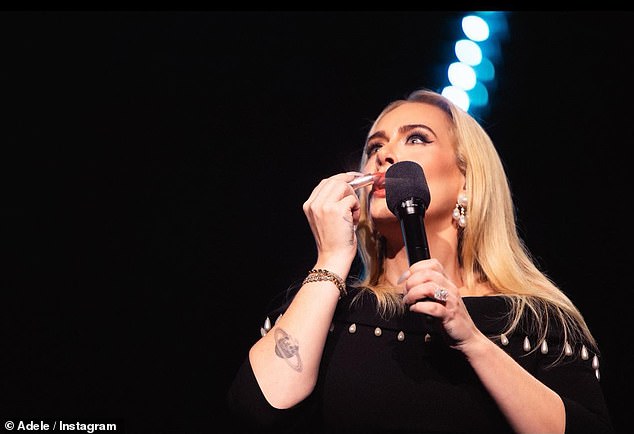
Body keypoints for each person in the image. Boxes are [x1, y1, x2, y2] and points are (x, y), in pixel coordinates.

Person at [226, 89, 613, 433]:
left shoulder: (536, 322)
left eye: (416, 138)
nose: (384, 155)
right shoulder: (325, 310)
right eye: (374, 147)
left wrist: (473, 341)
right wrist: (331, 258)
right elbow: (258, 411)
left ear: (468, 181)